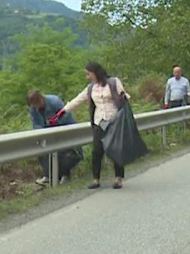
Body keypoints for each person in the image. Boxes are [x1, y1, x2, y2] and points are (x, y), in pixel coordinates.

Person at [52, 61, 130, 189]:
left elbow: (124, 97)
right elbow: (78, 100)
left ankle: (118, 178)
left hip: (114, 120)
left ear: (95, 72)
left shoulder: (113, 82)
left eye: (88, 74)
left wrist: (123, 100)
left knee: (115, 149)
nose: (87, 76)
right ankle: (96, 179)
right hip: (99, 121)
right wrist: (62, 111)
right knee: (97, 151)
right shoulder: (91, 88)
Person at [27, 89, 76, 185]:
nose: (35, 107)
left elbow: (66, 115)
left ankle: (64, 175)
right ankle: (48, 175)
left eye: (36, 104)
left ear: (40, 99)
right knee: (42, 151)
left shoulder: (54, 101)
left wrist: (55, 122)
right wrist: (41, 132)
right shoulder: (33, 109)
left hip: (62, 130)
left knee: (64, 152)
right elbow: (35, 123)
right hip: (46, 132)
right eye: (33, 105)